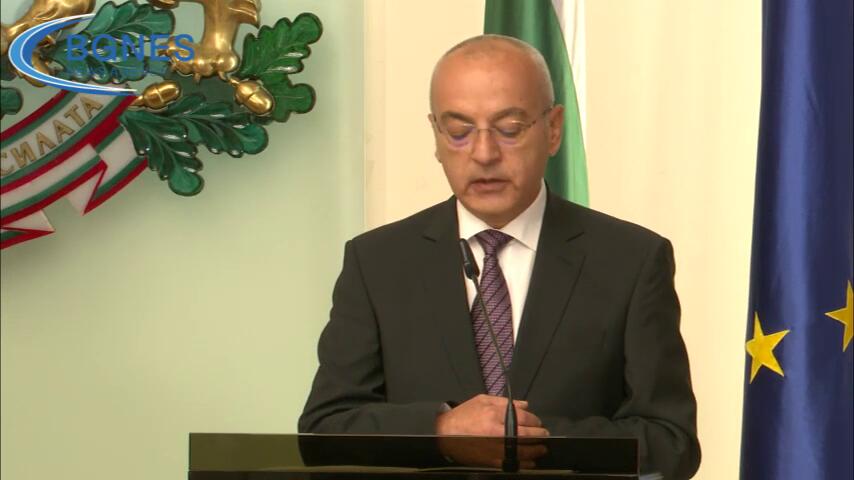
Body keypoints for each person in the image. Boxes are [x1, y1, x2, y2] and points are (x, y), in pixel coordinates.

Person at [299, 34, 700, 479]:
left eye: (509, 129)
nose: (484, 154)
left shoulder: (631, 260)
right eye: (459, 132)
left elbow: (671, 443)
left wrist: (529, 441)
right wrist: (440, 432)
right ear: (435, 135)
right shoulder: (378, 262)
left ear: (553, 129)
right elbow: (323, 431)